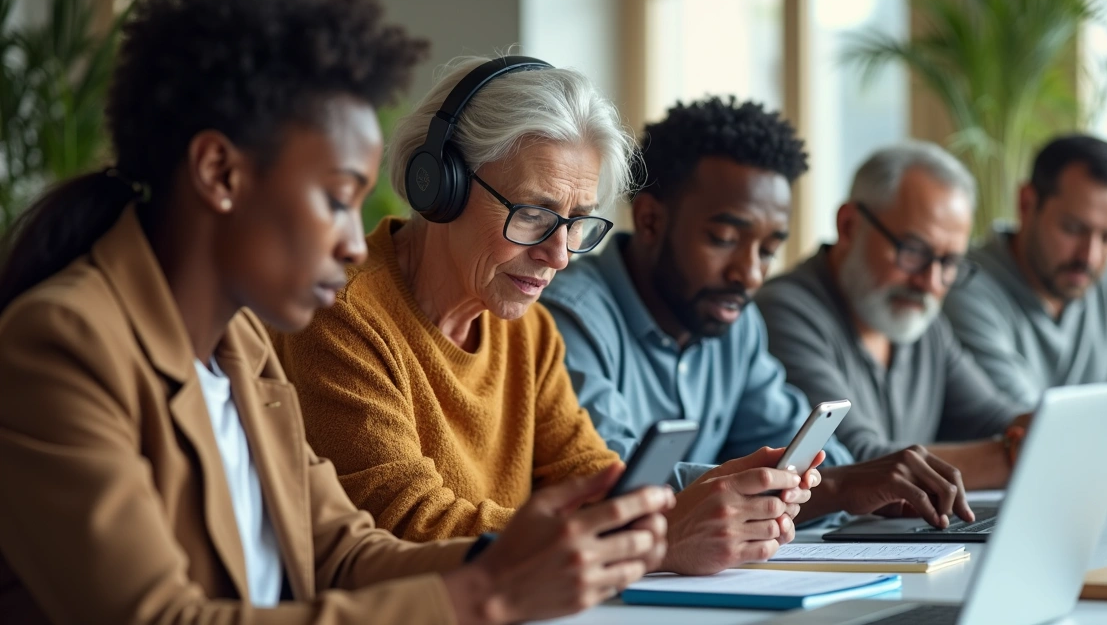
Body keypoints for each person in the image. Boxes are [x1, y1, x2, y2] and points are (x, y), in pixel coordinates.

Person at [0, 0, 673, 622]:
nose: (356, 241)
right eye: (336, 197)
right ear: (219, 173)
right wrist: (486, 594)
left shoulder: (241, 347)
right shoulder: (61, 347)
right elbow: (160, 618)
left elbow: (341, 551)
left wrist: (515, 556)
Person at [273, 59, 822, 576]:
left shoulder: (528, 329)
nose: (559, 254)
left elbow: (593, 479)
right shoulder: (342, 314)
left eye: (577, 221)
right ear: (441, 186)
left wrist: (686, 501)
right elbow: (408, 526)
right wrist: (659, 540)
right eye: (534, 213)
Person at [543, 98, 976, 529]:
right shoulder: (567, 320)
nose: (749, 274)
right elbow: (612, 486)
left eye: (768, 250)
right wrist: (837, 488)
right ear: (651, 221)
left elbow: (800, 449)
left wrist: (853, 484)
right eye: (724, 238)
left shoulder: (735, 324)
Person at [756, 142, 1024, 490]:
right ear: (849, 225)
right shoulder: (784, 312)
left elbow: (994, 418)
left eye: (949, 263)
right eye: (912, 251)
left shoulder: (922, 323)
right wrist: (1024, 453)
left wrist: (1042, 430)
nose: (929, 282)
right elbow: (860, 465)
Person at [944, 134, 1107, 471]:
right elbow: (1024, 433)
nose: (1090, 255)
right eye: (1073, 228)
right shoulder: (962, 285)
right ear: (1027, 204)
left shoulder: (1105, 282)